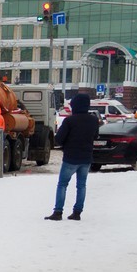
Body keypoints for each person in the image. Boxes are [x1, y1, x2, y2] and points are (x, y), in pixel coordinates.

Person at [47, 93, 99, 221]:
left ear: (75, 105)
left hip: (71, 158)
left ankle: (58, 212)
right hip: (86, 158)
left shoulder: (70, 120)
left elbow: (59, 139)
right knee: (81, 186)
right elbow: (95, 136)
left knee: (62, 184)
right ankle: (77, 213)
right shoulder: (93, 120)